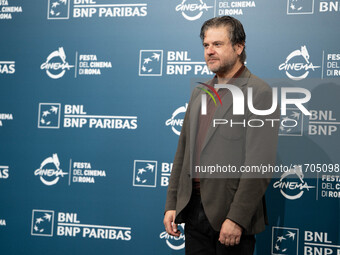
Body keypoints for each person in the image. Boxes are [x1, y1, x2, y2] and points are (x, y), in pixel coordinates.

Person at [163, 16, 279, 255]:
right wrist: (173, 204)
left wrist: (237, 218)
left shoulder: (259, 92)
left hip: (230, 216)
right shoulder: (200, 92)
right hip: (193, 212)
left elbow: (259, 165)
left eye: (218, 44)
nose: (210, 51)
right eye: (206, 45)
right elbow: (183, 153)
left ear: (238, 47)